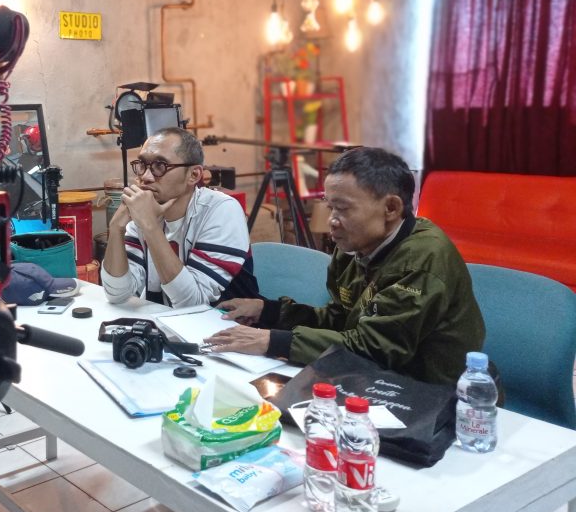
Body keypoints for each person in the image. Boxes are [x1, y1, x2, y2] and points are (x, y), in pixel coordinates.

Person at [205, 146, 484, 386]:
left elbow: (375, 348)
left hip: (432, 390)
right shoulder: (354, 245)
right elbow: (341, 319)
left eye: (343, 208)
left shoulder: (421, 259)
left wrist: (274, 341)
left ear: (391, 208)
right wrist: (269, 311)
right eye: (330, 207)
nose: (332, 220)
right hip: (372, 375)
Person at [101, 127, 259, 308]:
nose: (145, 176)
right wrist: (116, 228)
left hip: (223, 323)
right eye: (142, 164)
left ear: (194, 175)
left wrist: (150, 226)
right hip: (164, 321)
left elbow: (192, 303)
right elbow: (117, 294)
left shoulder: (222, 210)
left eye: (160, 166)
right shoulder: (144, 210)